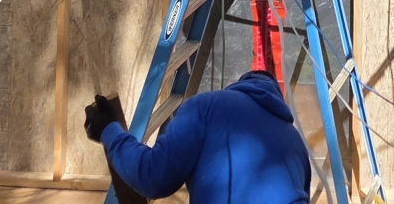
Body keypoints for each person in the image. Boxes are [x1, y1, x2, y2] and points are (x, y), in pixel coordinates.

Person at [84, 70, 311, 204]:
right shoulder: (296, 141)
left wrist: (108, 130)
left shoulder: (206, 107)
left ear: (239, 87)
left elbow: (153, 177)